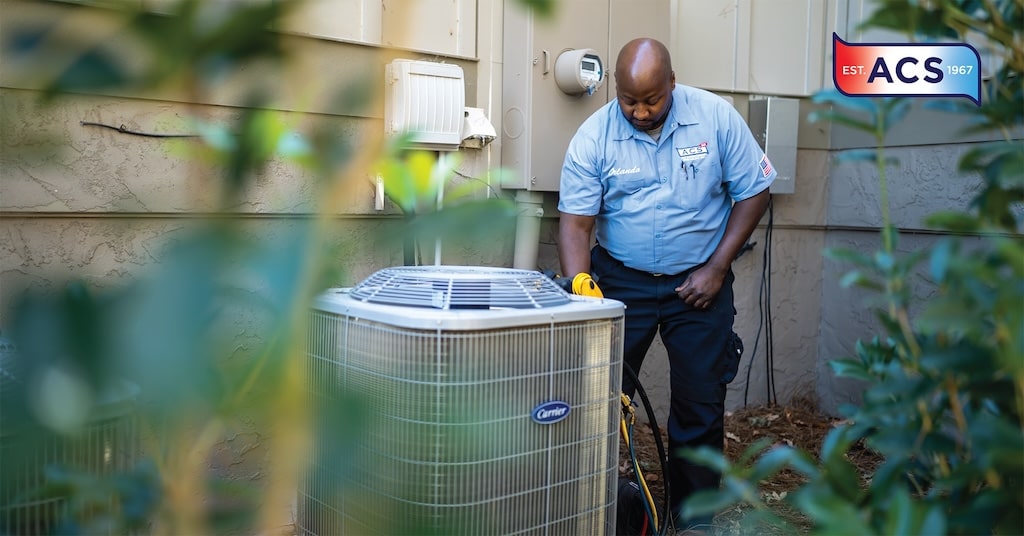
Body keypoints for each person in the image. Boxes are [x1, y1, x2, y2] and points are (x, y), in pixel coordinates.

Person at [557, 37, 775, 533]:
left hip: (699, 283)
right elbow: (574, 224)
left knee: (699, 405)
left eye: (651, 100)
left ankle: (693, 518)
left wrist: (718, 267)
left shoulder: (715, 119)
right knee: (595, 400)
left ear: (672, 83)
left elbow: (754, 191)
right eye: (629, 100)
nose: (639, 111)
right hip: (618, 284)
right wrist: (581, 286)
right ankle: (587, 509)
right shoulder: (594, 136)